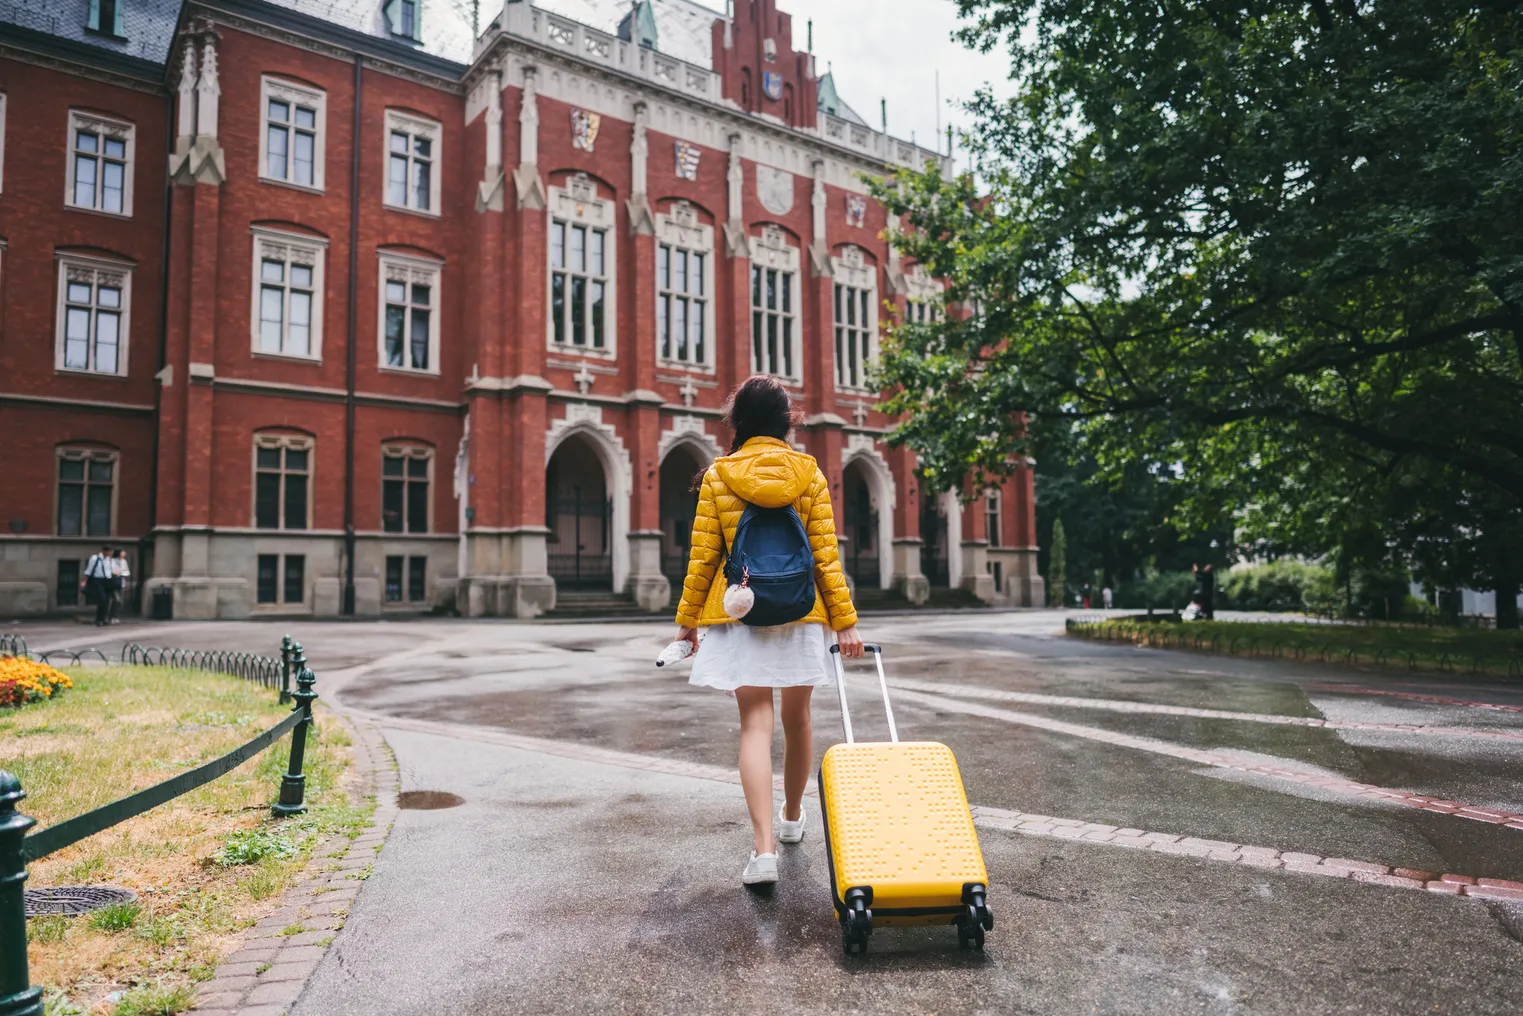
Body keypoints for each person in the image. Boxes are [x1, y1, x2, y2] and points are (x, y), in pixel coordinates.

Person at [673, 375, 864, 889]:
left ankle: (762, 853)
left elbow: (703, 558)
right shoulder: (810, 474)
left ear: (738, 422)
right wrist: (845, 622)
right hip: (802, 610)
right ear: (788, 422)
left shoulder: (719, 475)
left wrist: (687, 625)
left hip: (741, 610)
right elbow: (826, 556)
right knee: (798, 720)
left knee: (755, 724)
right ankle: (793, 818)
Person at [81, 545, 114, 626]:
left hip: (108, 581)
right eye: (109, 551)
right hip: (98, 580)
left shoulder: (110, 560)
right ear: (104, 551)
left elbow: (112, 570)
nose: (110, 553)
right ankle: (99, 619)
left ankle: (104, 618)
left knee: (107, 600)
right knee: (102, 599)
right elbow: (89, 570)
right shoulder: (95, 558)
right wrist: (85, 581)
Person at [108, 549, 131, 624]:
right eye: (123, 552)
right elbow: (110, 571)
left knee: (119, 601)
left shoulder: (124, 561)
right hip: (113, 583)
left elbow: (127, 572)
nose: (124, 553)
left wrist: (120, 572)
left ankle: (114, 616)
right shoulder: (112, 561)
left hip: (121, 582)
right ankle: (112, 616)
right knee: (116, 600)